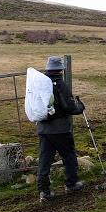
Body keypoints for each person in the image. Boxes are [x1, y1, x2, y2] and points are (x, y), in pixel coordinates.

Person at [37, 56, 85, 202]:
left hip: (43, 128)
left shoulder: (40, 84)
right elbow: (69, 107)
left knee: (44, 160)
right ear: (60, 70)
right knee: (69, 156)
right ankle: (71, 184)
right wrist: (80, 107)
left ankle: (44, 191)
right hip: (61, 130)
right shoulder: (60, 84)